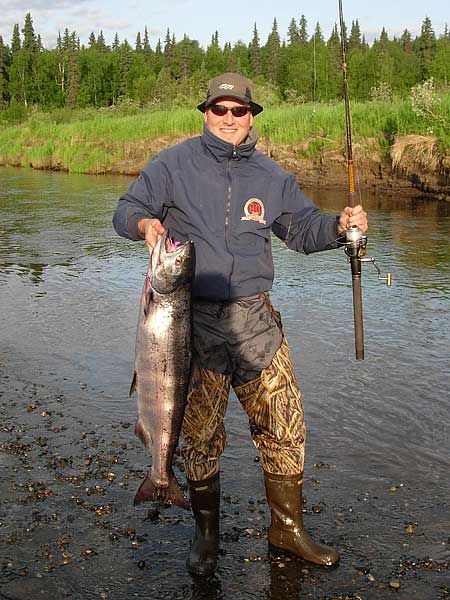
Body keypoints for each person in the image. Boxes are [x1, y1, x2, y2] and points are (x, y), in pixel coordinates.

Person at [113, 72, 368, 576]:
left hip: (256, 320)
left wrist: (340, 228)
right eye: (220, 109)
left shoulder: (271, 176)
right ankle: (206, 535)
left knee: (284, 424)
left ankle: (288, 532)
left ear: (252, 116)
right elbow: (126, 211)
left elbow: (302, 228)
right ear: (205, 112)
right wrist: (146, 225)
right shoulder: (172, 164)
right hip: (191, 321)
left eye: (240, 111)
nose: (230, 119)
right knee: (200, 436)